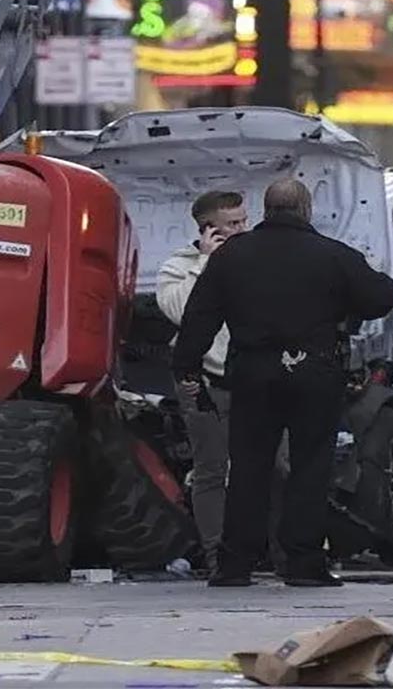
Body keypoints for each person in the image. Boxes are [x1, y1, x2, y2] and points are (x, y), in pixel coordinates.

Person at [172, 179, 393, 588]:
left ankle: (236, 563)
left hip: (252, 375)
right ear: (306, 210)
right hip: (315, 374)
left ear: (265, 210)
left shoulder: (231, 257)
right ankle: (304, 563)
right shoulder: (333, 256)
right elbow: (382, 296)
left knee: (247, 468)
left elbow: (200, 317)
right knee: (310, 467)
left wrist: (186, 368)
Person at [155, 190, 249, 573]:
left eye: (245, 220)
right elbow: (181, 311)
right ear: (209, 229)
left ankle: (271, 550)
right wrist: (207, 263)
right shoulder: (179, 266)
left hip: (253, 380)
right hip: (206, 381)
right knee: (211, 468)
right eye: (234, 224)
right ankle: (216, 555)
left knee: (278, 466)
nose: (244, 228)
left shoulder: (255, 258)